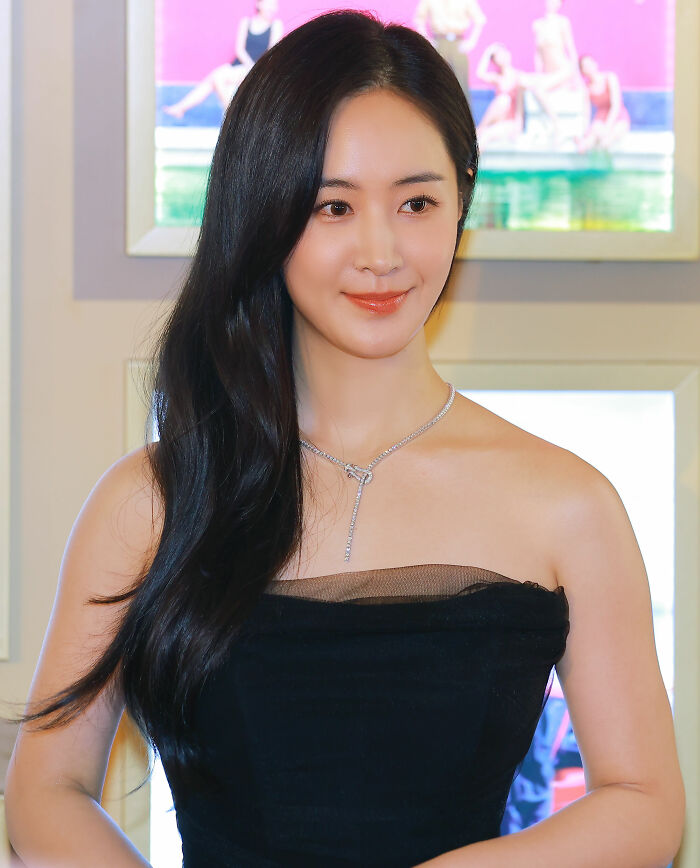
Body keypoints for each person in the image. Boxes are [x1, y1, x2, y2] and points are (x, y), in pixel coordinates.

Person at [4, 9, 685, 868]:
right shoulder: (150, 500)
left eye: (417, 203)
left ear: (461, 202)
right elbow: (46, 787)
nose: (380, 251)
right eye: (332, 205)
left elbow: (645, 801)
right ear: (267, 211)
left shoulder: (569, 506)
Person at [163, 0, 283, 120]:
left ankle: (230, 113)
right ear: (259, 4)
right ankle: (183, 108)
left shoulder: (276, 25)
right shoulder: (246, 22)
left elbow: (271, 52)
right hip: (241, 66)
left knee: (217, 77)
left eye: (274, 5)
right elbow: (239, 49)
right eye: (269, 4)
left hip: (258, 68)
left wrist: (254, 68)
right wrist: (249, 65)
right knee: (213, 78)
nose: (272, 8)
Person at [413, 0, 487, 103]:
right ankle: (439, 115)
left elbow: (480, 20)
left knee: (462, 83)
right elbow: (419, 19)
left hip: (458, 43)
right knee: (438, 80)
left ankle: (464, 116)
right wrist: (427, 39)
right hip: (440, 42)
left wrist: (471, 42)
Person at [576, 54, 631, 153]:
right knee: (591, 138)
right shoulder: (587, 89)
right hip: (600, 118)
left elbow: (616, 105)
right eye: (585, 66)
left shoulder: (610, 78)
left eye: (590, 63)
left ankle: (606, 165)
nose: (588, 67)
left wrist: (608, 126)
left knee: (605, 142)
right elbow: (586, 113)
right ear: (582, 71)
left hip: (618, 116)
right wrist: (585, 132)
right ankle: (584, 147)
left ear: (595, 64)